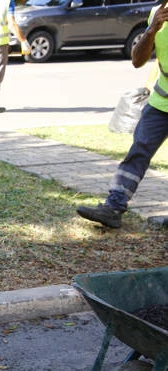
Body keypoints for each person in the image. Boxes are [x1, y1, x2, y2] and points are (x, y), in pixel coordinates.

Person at [77, 2, 168, 228]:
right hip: (160, 102)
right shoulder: (157, 14)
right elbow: (138, 60)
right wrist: (152, 30)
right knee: (138, 152)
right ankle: (113, 207)